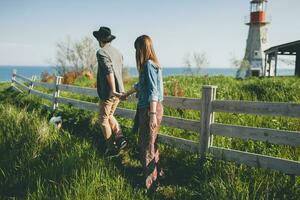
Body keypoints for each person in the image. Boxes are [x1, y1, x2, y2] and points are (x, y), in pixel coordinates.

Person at [123, 35, 164, 191]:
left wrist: (152, 114)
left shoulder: (148, 65)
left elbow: (153, 91)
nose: (136, 53)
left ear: (142, 49)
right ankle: (156, 176)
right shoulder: (153, 65)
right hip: (150, 108)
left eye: (137, 49)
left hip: (149, 109)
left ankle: (150, 186)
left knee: (146, 146)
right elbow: (141, 85)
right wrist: (126, 94)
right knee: (151, 143)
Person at [93, 26, 127, 157]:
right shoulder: (118, 53)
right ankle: (120, 137)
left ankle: (111, 149)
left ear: (100, 39)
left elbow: (109, 71)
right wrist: (118, 91)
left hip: (109, 92)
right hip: (120, 91)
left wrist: (112, 90)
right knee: (109, 115)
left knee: (102, 119)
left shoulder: (101, 52)